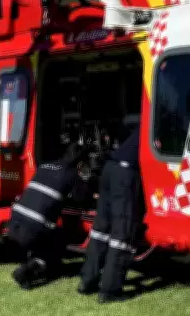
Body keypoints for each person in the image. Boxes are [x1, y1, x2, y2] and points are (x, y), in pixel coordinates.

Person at [7, 138, 99, 290]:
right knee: (59, 241)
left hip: (13, 221)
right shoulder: (71, 174)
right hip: (33, 228)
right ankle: (28, 271)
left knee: (47, 235)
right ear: (80, 163)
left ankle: (41, 263)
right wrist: (91, 190)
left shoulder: (44, 166)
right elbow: (83, 200)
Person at [78, 126, 142, 303]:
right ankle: (109, 290)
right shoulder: (170, 124)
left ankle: (87, 280)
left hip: (110, 169)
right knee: (122, 233)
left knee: (101, 230)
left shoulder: (142, 128)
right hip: (125, 173)